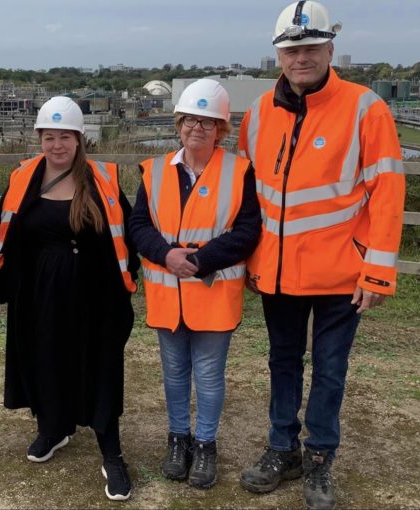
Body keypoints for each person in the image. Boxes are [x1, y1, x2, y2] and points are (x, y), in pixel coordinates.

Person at [237, 2, 406, 509]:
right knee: (282, 362)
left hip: (340, 273)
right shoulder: (259, 113)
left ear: (330, 49)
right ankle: (282, 448)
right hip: (278, 271)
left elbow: (388, 192)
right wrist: (248, 259)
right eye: (291, 49)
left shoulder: (364, 107)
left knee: (331, 370)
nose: (301, 57)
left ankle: (319, 459)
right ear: (278, 56)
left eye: (310, 48)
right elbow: (247, 194)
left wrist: (376, 273)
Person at [0, 96, 139, 501]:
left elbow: (126, 232)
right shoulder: (23, 178)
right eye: (49, 137)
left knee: (101, 367)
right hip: (39, 292)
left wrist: (126, 280)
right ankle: (54, 429)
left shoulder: (101, 179)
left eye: (65, 137)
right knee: (46, 360)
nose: (57, 145)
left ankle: (112, 453)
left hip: (96, 291)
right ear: (40, 138)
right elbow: (5, 227)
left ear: (79, 138)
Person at [128, 79, 261, 490]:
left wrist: (201, 260)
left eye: (206, 122)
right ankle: (177, 439)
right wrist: (166, 255)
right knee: (173, 373)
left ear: (221, 129)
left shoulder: (239, 172)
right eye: (188, 120)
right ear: (178, 124)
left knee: (207, 375)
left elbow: (248, 230)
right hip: (168, 296)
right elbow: (138, 225)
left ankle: (205, 444)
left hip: (213, 294)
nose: (196, 128)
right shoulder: (154, 171)